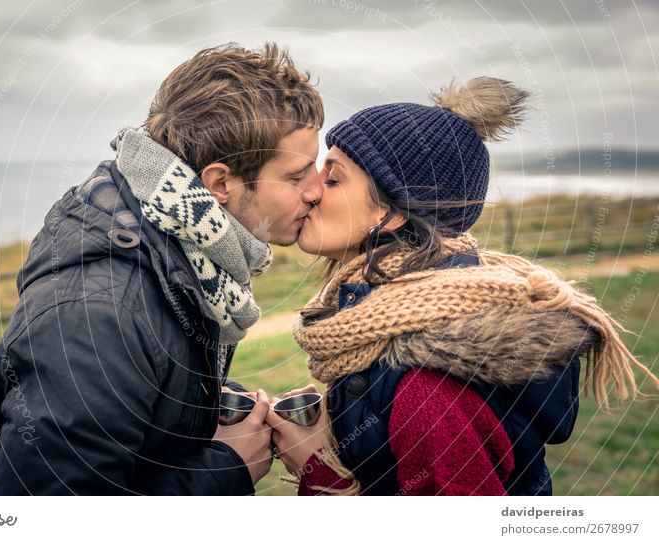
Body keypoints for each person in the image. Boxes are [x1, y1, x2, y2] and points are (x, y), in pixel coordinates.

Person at [266, 76, 659, 495]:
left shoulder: (430, 389)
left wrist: (317, 468)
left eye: (333, 178)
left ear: (394, 213)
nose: (311, 190)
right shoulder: (384, 325)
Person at [0, 42, 324, 494]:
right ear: (220, 183)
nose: (317, 190)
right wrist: (226, 466)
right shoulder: (96, 315)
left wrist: (199, 405)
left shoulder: (184, 252)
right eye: (297, 176)